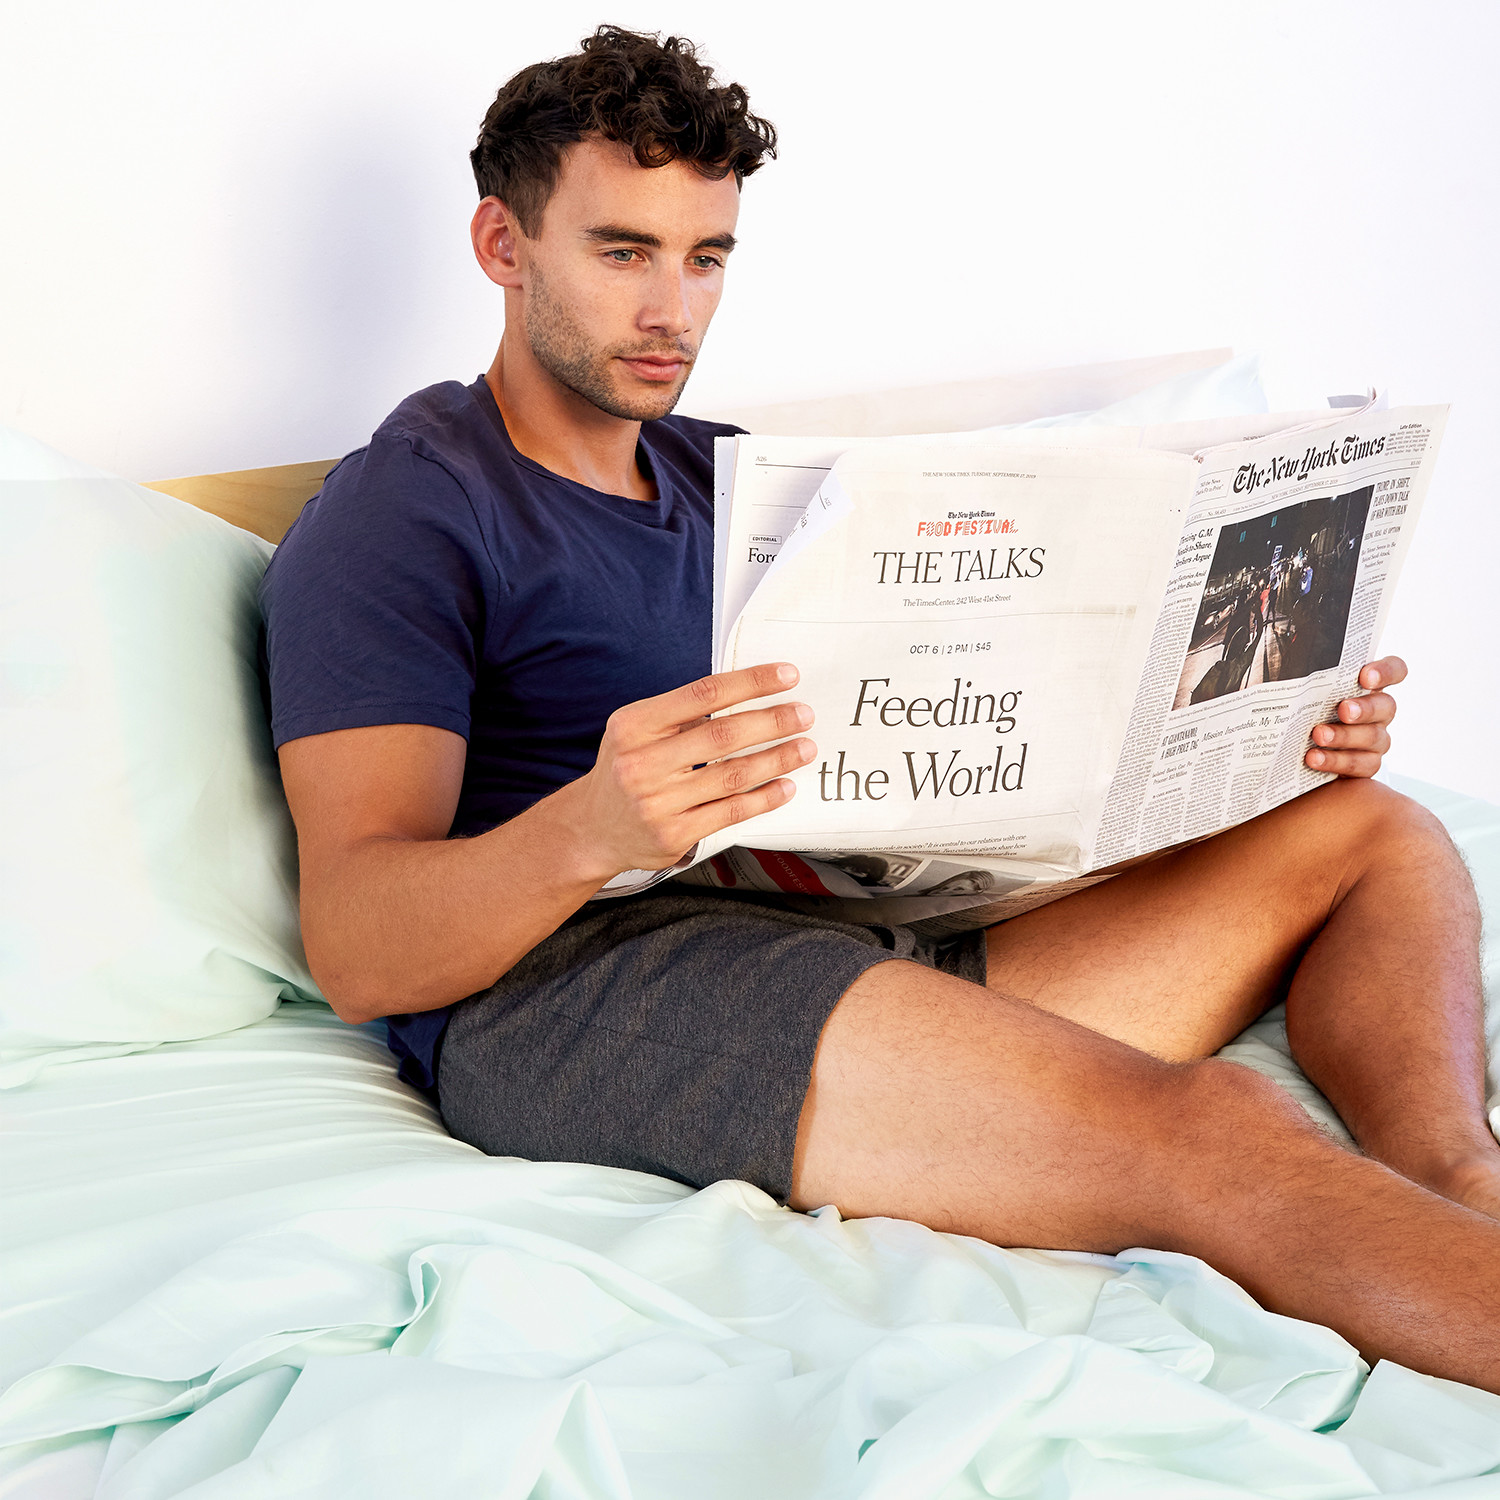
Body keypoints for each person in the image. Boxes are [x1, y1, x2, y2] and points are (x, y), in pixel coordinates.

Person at [259, 27, 1500, 1395]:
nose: (673, 309)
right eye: (623, 252)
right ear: (504, 244)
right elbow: (358, 947)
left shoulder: (733, 480)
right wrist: (590, 829)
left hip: (852, 929)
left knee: (1370, 830)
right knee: (1216, 1128)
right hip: (586, 988)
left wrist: (1260, 739)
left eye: (706, 257)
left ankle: (1458, 1177)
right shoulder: (408, 508)